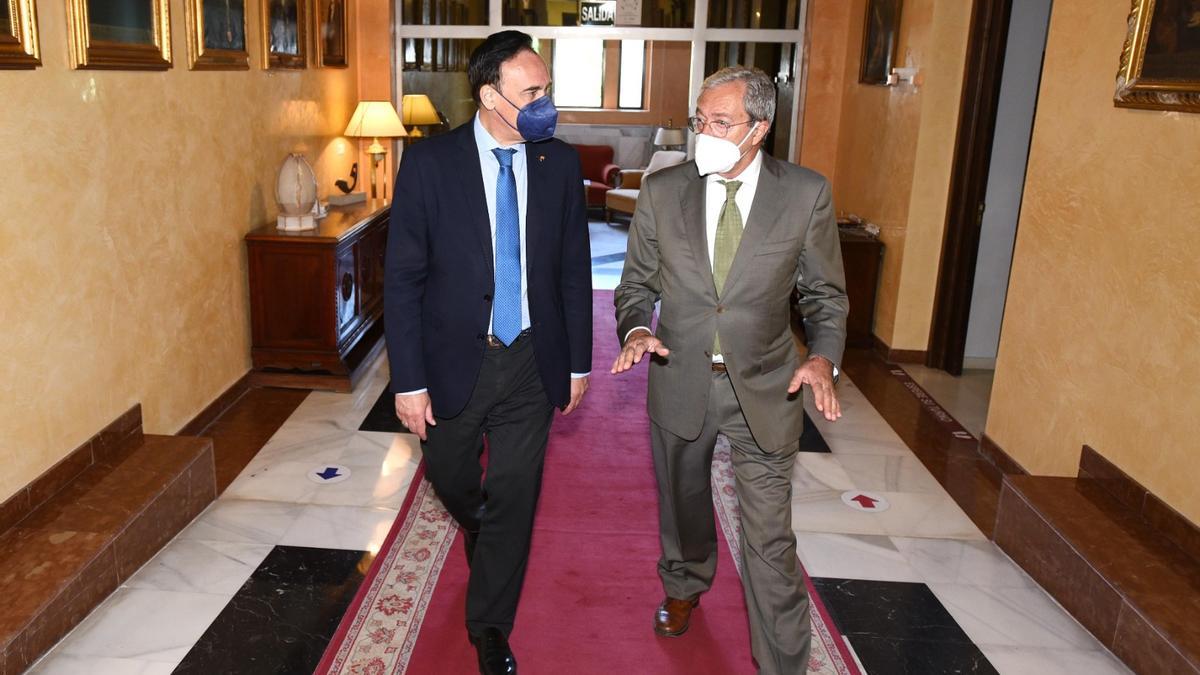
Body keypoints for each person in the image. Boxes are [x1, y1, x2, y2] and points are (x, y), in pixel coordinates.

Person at [612, 66, 848, 674]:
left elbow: (825, 295)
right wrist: (637, 327)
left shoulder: (805, 194)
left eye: (721, 123)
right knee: (683, 505)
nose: (704, 134)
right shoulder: (664, 193)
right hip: (680, 377)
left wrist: (822, 356)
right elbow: (634, 284)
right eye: (699, 120)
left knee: (770, 541)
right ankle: (686, 582)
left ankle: (783, 665)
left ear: (760, 128)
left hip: (767, 387)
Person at [385, 30, 592, 675]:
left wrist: (579, 362)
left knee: (516, 494)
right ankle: (480, 522)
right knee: (452, 480)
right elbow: (404, 278)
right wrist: (408, 381)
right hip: (453, 362)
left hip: (532, 359)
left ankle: (491, 629)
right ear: (490, 97)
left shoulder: (558, 163)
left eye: (547, 90)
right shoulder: (430, 164)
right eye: (533, 92)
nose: (545, 104)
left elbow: (573, 272)